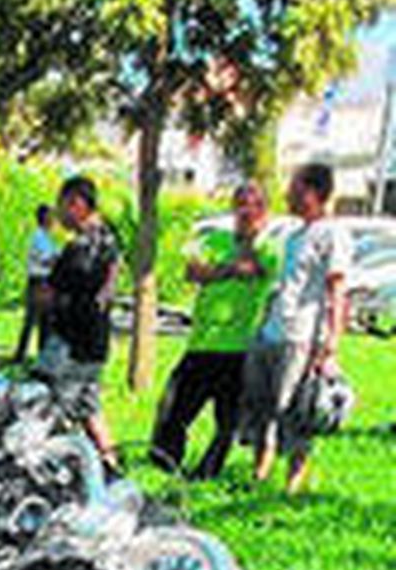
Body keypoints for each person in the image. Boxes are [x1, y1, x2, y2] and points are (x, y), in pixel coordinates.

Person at [149, 181, 277, 479]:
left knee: (227, 422)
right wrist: (231, 269)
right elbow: (193, 271)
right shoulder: (214, 239)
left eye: (255, 205)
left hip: (238, 348)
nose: (247, 211)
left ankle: (207, 472)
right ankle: (165, 464)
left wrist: (221, 269)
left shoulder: (269, 247)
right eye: (241, 203)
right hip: (202, 342)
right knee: (171, 409)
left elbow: (255, 268)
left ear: (264, 211)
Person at [244, 162, 349, 496]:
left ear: (312, 193)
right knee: (261, 407)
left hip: (301, 337)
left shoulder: (333, 234)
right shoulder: (294, 236)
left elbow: (337, 291)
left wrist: (331, 343)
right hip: (272, 332)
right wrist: (263, 324)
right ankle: (259, 473)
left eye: (294, 186)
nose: (287, 193)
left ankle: (292, 484)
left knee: (295, 410)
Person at [37, 174, 121, 468]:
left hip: (70, 341)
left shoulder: (78, 248)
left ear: (78, 204)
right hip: (96, 339)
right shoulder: (110, 238)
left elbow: (50, 292)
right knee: (89, 407)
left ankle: (57, 465)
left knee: (48, 406)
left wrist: (46, 291)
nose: (59, 213)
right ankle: (110, 462)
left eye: (63, 205)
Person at [13, 204, 58, 363]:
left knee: (45, 320)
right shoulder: (39, 237)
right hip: (38, 281)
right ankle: (19, 355)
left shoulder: (48, 238)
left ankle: (41, 355)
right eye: (51, 216)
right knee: (32, 319)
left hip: (45, 281)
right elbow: (48, 260)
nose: (54, 220)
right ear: (44, 218)